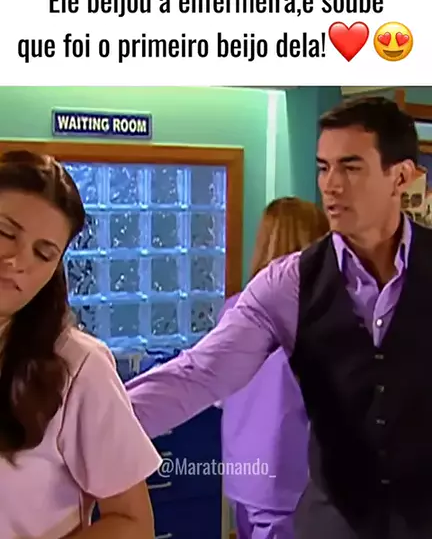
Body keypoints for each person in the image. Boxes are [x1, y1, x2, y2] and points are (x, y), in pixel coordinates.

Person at [126, 96, 432, 538]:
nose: (331, 185)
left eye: (350, 167)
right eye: (323, 167)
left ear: (400, 177)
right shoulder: (288, 284)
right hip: (332, 526)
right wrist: (76, 430)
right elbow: (199, 374)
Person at [0, 150, 161, 539]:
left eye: (43, 253)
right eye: (4, 233)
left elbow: (133, 524)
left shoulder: (78, 366)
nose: (17, 261)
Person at [218, 197, 328, 539]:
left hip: (243, 476)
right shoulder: (315, 318)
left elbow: (218, 394)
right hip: (288, 483)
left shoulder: (235, 309)